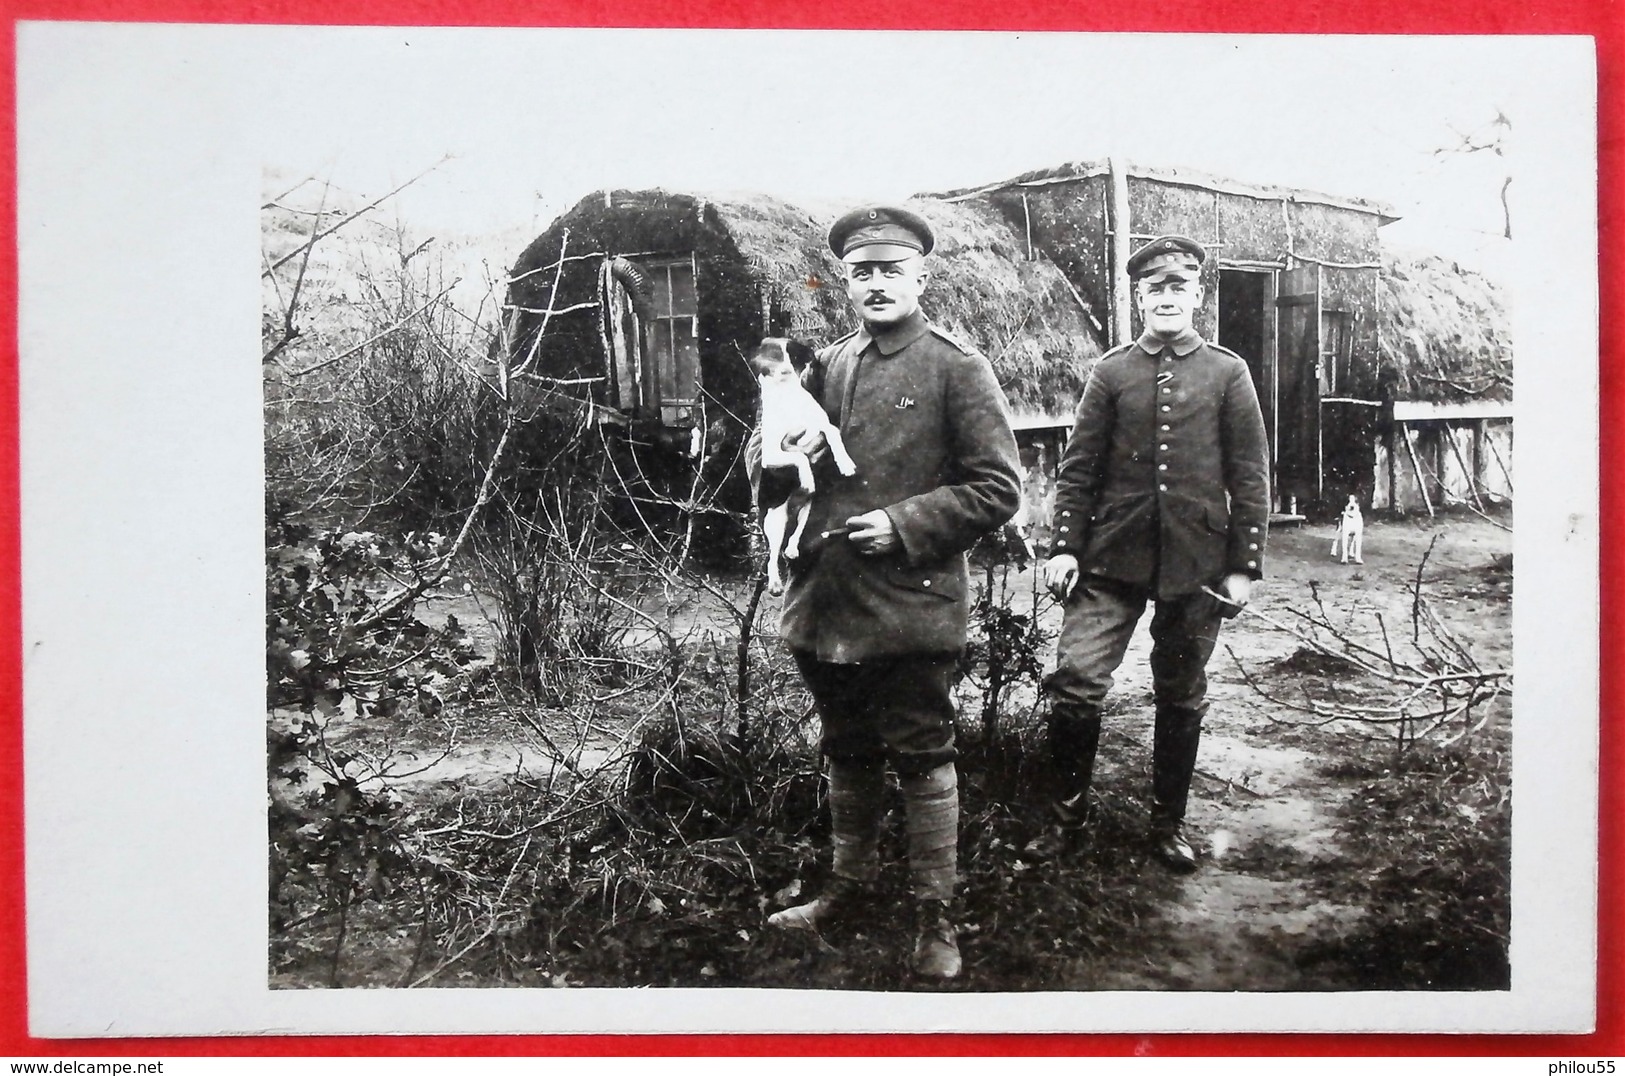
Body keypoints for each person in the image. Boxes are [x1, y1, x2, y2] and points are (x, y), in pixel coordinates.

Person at [749, 205, 1022, 979]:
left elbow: (997, 488)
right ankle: (848, 886)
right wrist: (778, 458)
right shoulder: (827, 364)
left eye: (889, 270)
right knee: (845, 743)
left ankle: (936, 916)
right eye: (860, 272)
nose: (874, 284)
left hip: (909, 601)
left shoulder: (955, 366)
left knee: (921, 749)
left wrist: (902, 525)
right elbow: (772, 469)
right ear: (845, 280)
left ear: (920, 277)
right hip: (827, 600)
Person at [1029, 235, 1270, 872]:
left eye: (1177, 288)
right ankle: (1064, 821)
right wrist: (1064, 549)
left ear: (1197, 295)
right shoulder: (1111, 372)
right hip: (1110, 559)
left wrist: (1244, 565)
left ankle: (1167, 826)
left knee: (1181, 693)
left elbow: (1250, 473)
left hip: (1198, 564)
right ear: (1139, 299)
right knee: (1078, 684)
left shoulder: (1228, 371)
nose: (1166, 299)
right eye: (1153, 290)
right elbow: (1078, 469)